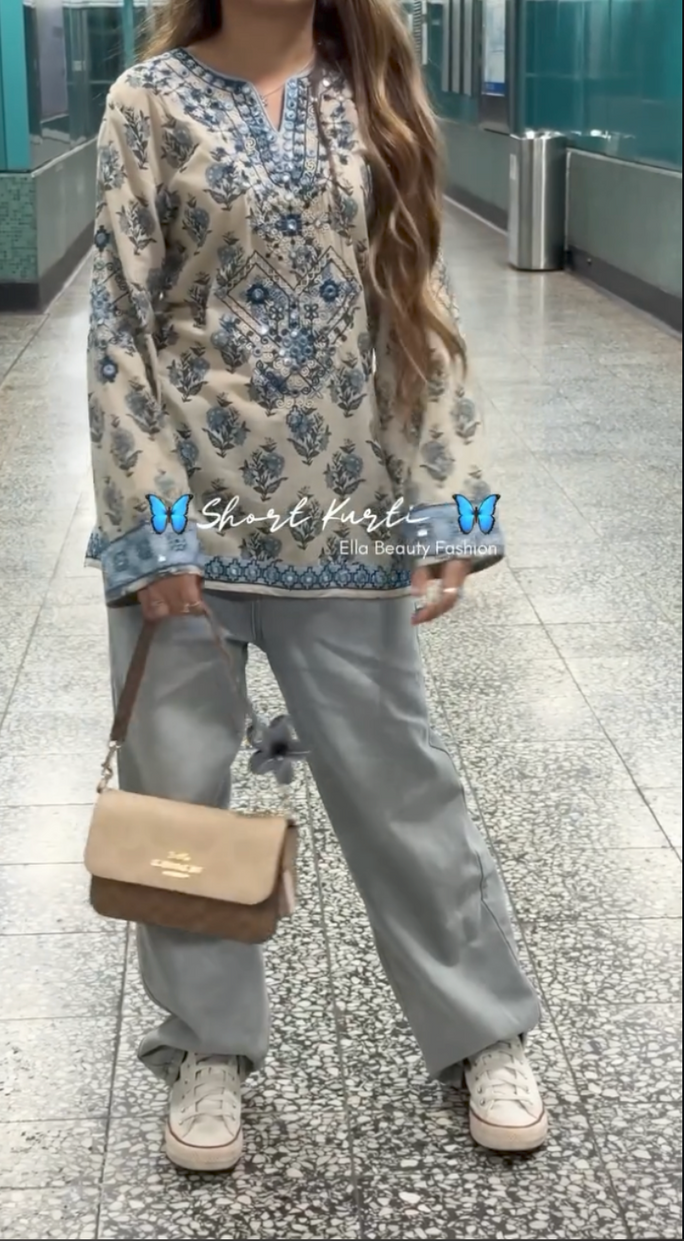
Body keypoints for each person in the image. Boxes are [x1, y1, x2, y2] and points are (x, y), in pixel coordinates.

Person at [86, 0, 547, 1173]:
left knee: (404, 785)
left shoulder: (373, 95)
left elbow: (421, 304)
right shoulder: (147, 103)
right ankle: (207, 1042)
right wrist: (157, 532)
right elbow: (121, 327)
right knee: (180, 800)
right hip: (188, 525)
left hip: (346, 519)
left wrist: (456, 506)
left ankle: (483, 1028)